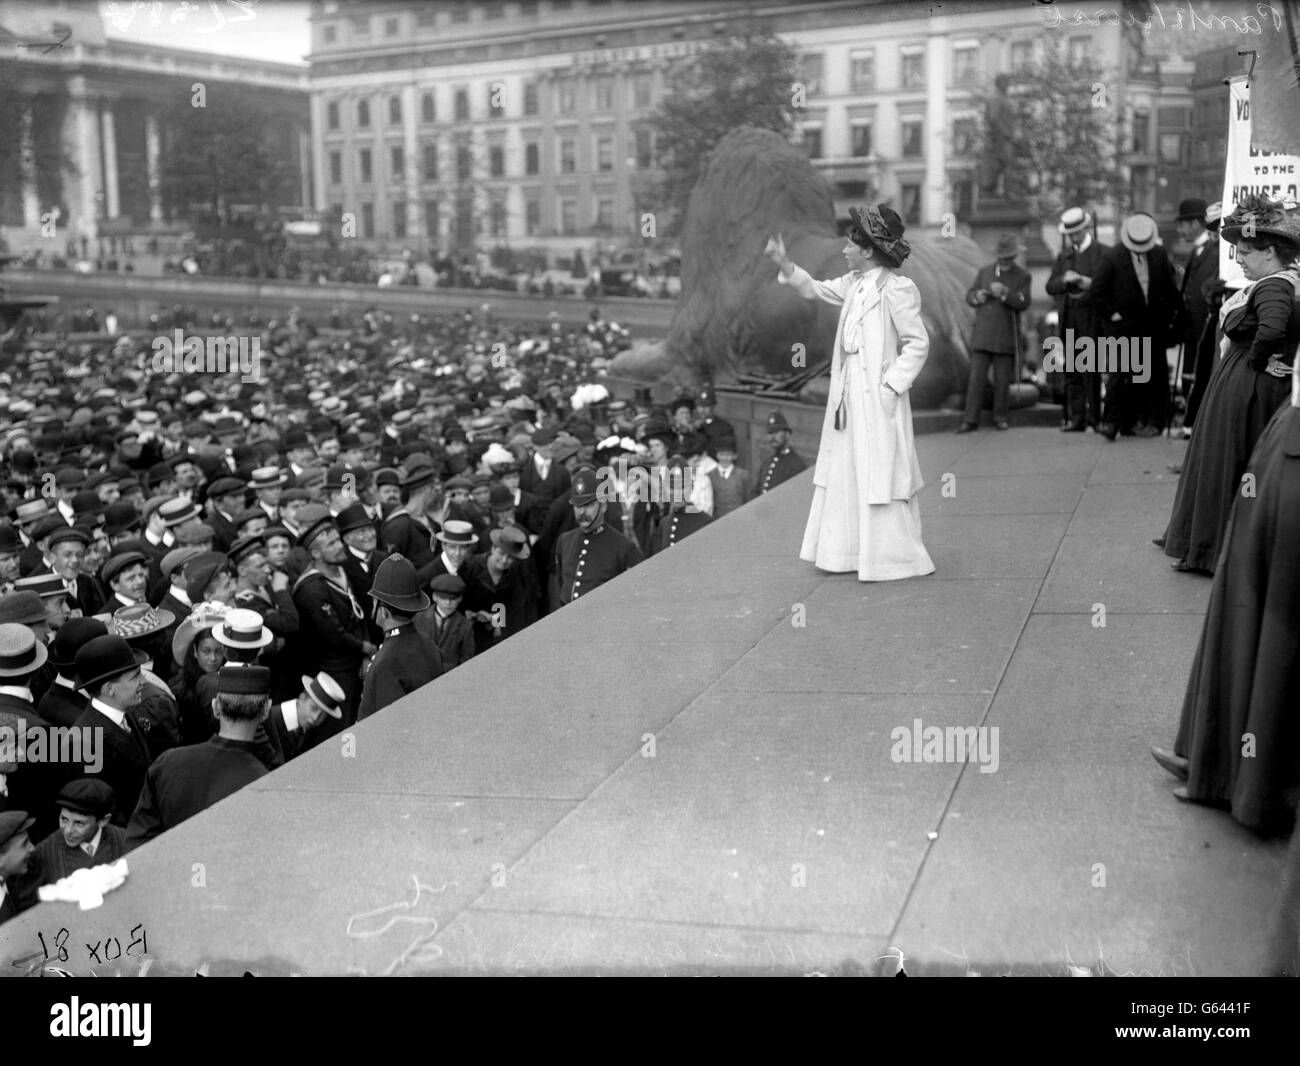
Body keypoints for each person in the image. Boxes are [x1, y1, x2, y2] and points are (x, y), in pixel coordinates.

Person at [1150, 357, 1300, 835]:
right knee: (1246, 617)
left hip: (1291, 454)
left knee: (1268, 631)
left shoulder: (1275, 290)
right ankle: (1218, 764)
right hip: (1285, 445)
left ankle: (1246, 779)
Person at [767, 204, 935, 581]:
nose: (844, 251)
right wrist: (784, 262)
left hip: (877, 398)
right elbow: (813, 288)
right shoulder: (853, 284)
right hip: (847, 399)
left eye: (850, 245)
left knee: (882, 472)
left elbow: (917, 342)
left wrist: (891, 385)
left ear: (868, 250)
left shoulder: (897, 288)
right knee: (849, 468)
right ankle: (849, 553)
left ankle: (893, 558)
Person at [1158, 198, 1300, 573]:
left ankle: (1216, 549)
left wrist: (1257, 359)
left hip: (1248, 389)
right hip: (1243, 385)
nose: (1239, 258)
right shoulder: (1273, 283)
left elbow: (1271, 328)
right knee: (1229, 467)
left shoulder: (1274, 285)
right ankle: (1210, 547)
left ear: (1270, 253)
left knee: (1232, 466)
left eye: (1247, 252)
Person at [125, 665, 273, 848]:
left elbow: (137, 840)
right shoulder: (263, 784)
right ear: (266, 710)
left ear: (216, 707)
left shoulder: (169, 762)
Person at [1090, 213, 1183, 438]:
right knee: (1120, 375)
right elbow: (1097, 291)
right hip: (1122, 328)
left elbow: (1170, 291)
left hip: (1152, 327)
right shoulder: (1111, 257)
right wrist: (1113, 315)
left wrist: (1172, 320)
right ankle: (1112, 423)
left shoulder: (1159, 254)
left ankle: (1151, 422)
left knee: (1154, 377)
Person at [958, 233, 1032, 432]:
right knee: (976, 380)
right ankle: (970, 419)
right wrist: (977, 296)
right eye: (1002, 258)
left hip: (1005, 335)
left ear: (1014, 257)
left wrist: (1007, 294)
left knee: (1002, 381)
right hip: (983, 333)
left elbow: (1024, 302)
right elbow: (969, 295)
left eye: (1008, 258)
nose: (1005, 261)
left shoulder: (1023, 276)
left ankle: (1000, 417)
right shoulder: (984, 272)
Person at [1045, 207, 1109, 432]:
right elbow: (1050, 286)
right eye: (1070, 234)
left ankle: (1095, 418)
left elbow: (1107, 285)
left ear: (1086, 229)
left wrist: (1085, 281)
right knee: (1072, 370)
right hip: (1069, 318)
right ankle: (1077, 418)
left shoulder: (1102, 252)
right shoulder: (1063, 257)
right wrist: (1064, 279)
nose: (1073, 237)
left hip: (1092, 318)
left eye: (1077, 233)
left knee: (1091, 369)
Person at [357, 554, 441, 721]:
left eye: (375, 601)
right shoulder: (427, 643)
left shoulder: (388, 661)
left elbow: (389, 726)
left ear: (383, 611)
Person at [555, 466, 643, 604]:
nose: (582, 512)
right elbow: (562, 587)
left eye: (589, 505)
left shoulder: (622, 547)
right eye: (578, 506)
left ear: (603, 506)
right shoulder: (564, 541)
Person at [1172, 199, 1221, 430]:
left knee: (1202, 375)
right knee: (1189, 374)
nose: (1179, 230)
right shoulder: (1196, 252)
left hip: (1205, 326)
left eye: (1183, 224)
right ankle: (1191, 422)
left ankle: (1198, 424)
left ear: (1195, 223)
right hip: (1191, 326)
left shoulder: (1215, 252)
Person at [32, 778, 128, 886]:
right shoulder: (43, 853)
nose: (68, 831)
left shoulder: (126, 841)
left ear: (103, 820)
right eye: (64, 819)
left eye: (79, 823)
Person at [414, 573, 475, 670]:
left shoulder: (465, 625)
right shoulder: (418, 619)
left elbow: (467, 659)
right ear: (434, 597)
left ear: (460, 598)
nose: (448, 603)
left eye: (453, 599)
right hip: (421, 675)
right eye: (443, 598)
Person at [754, 411, 807, 494]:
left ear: (787, 434)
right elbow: (756, 492)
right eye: (770, 433)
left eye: (777, 432)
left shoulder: (797, 465)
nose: (773, 437)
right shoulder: (767, 463)